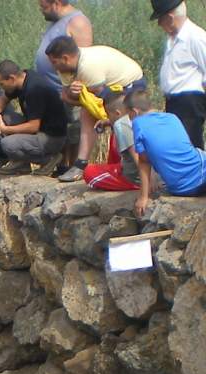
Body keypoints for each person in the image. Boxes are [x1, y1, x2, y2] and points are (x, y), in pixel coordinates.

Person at [45, 36, 145, 182]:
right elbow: (66, 97)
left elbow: (100, 98)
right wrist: (74, 92)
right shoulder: (65, 68)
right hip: (107, 88)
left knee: (121, 121)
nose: (53, 67)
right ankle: (81, 163)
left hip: (129, 84)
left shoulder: (88, 66)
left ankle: (139, 170)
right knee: (87, 110)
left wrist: (81, 97)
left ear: (65, 58)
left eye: (54, 62)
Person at [34, 0, 93, 176]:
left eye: (44, 7)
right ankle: (62, 165)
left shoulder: (77, 22)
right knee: (62, 131)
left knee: (74, 129)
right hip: (53, 92)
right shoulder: (55, 23)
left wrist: (72, 90)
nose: (41, 10)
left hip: (68, 90)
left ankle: (73, 166)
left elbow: (83, 60)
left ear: (56, 3)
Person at [126, 90, 206, 216]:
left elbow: (143, 161)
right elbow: (188, 145)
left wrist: (144, 197)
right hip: (200, 172)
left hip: (181, 187)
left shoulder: (138, 123)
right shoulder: (172, 117)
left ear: (134, 112)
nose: (129, 120)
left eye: (128, 115)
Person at [0, 60, 69, 176]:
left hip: (51, 137)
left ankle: (49, 159)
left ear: (11, 78)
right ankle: (22, 165)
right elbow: (2, 100)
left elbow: (33, 127)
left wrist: (4, 129)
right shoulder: (22, 79)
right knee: (4, 116)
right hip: (39, 129)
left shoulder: (34, 90)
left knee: (7, 144)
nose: (1, 88)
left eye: (2, 84)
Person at [154, 0, 206, 149]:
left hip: (189, 101)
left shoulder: (196, 37)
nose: (159, 24)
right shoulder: (173, 39)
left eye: (160, 19)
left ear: (170, 18)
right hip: (174, 101)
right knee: (176, 147)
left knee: (189, 148)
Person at [83, 94, 140, 191]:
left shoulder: (121, 126)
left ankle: (131, 182)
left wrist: (149, 181)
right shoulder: (138, 119)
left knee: (88, 172)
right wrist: (110, 122)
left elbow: (137, 157)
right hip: (144, 172)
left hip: (134, 179)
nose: (107, 118)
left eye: (108, 115)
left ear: (117, 113)